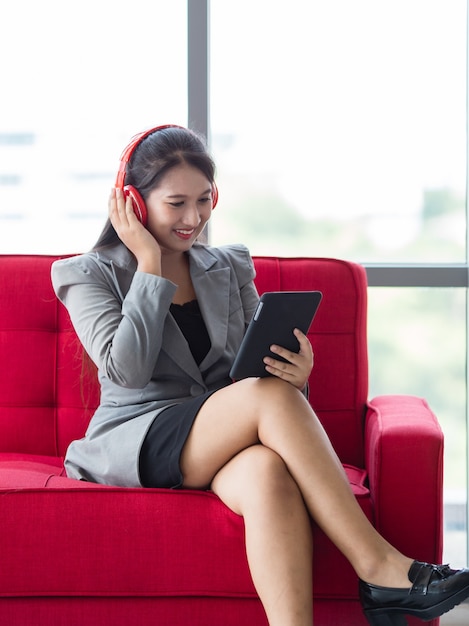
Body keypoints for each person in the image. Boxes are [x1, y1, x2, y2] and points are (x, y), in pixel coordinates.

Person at [51, 124, 469, 626]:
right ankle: (378, 567)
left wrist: (296, 374)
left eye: (204, 200)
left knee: (269, 475)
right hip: (140, 434)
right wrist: (148, 265)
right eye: (176, 203)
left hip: (220, 434)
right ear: (133, 205)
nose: (194, 219)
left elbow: (254, 373)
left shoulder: (228, 266)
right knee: (265, 399)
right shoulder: (87, 273)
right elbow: (129, 372)